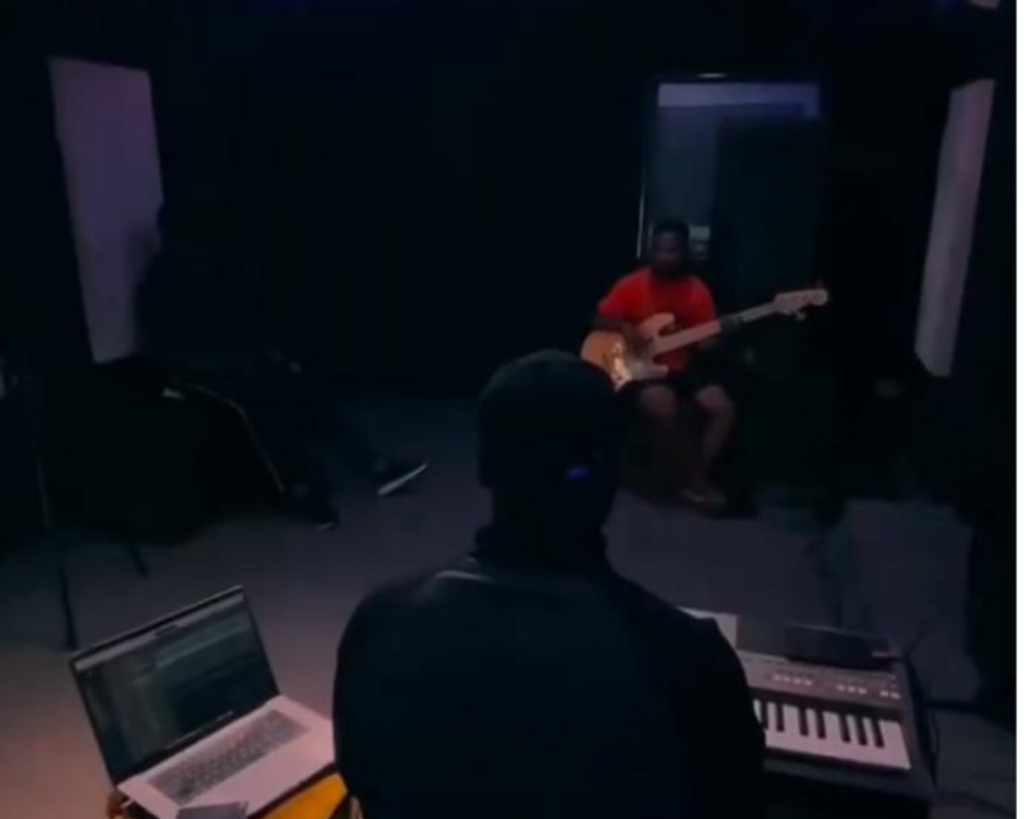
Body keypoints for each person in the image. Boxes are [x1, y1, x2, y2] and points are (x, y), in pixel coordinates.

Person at [333, 350, 763, 819]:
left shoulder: (380, 621)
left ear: (484, 468)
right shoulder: (690, 657)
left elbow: (362, 778)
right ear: (612, 474)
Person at [137, 206, 426, 529]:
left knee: (299, 387)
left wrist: (264, 356)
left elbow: (238, 329)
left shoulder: (210, 275)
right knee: (263, 404)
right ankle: (301, 486)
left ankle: (372, 465)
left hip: (236, 365)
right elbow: (174, 353)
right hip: (198, 377)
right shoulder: (160, 287)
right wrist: (235, 364)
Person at [594, 219, 736, 512]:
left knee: (722, 408)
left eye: (671, 250)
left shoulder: (697, 291)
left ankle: (690, 479)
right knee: (663, 405)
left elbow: (704, 344)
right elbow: (600, 320)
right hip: (642, 370)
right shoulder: (631, 284)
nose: (663, 256)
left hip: (683, 368)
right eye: (658, 249)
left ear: (684, 252)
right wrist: (628, 332)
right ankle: (695, 484)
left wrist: (720, 336)